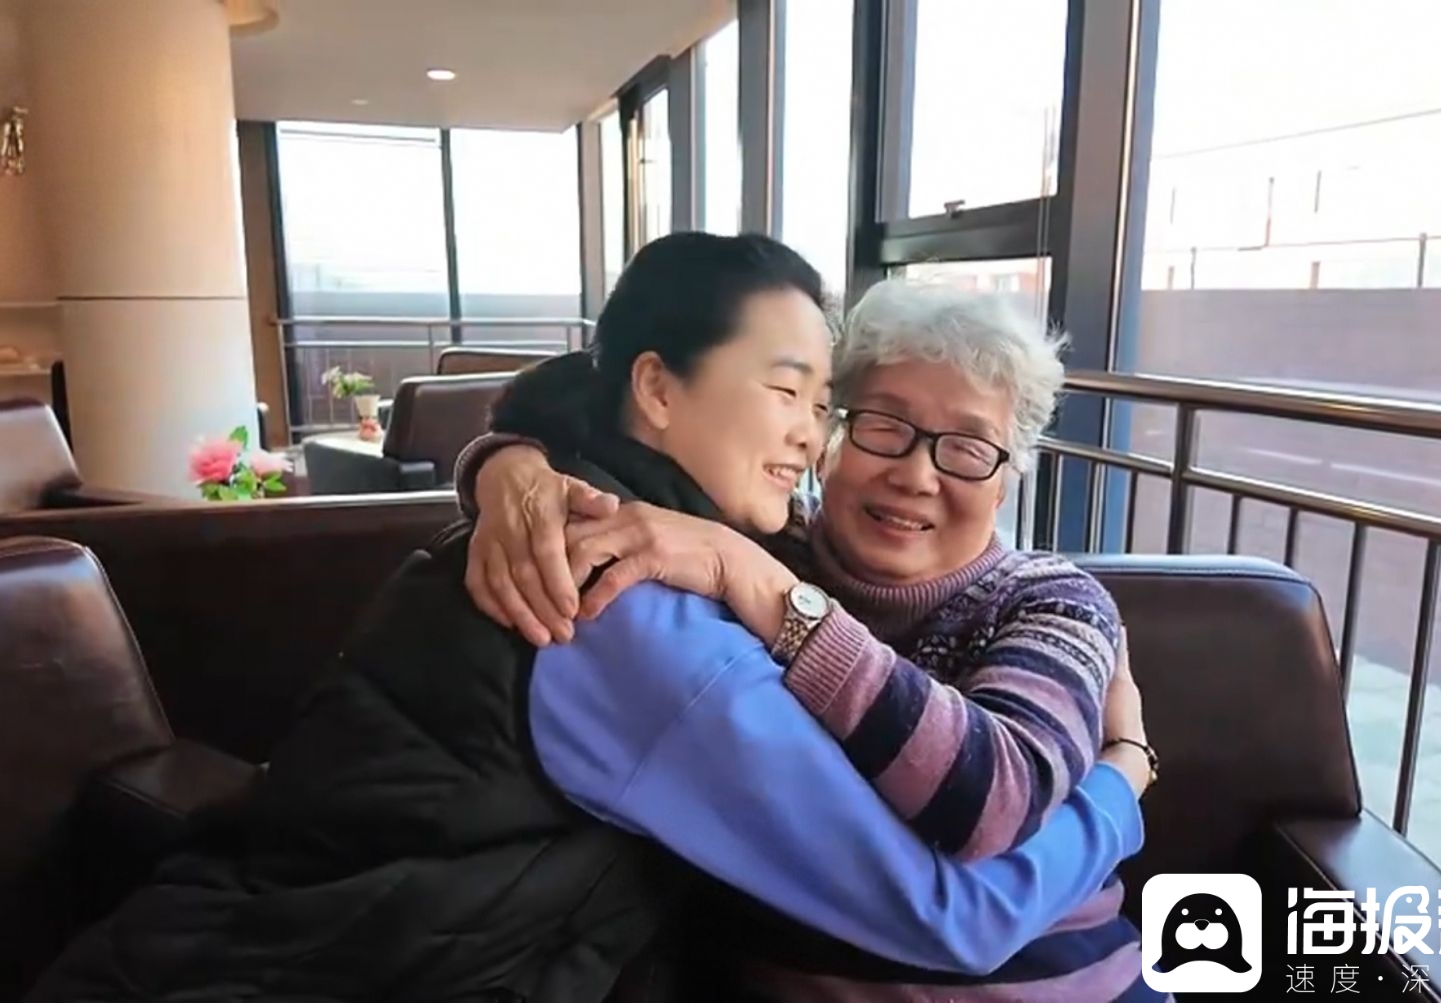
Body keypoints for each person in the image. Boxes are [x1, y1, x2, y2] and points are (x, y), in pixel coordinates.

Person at [24, 234, 1152, 1003]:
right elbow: (949, 915)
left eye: (967, 447)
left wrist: (508, 459)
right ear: (655, 390)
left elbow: (985, 797)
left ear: (1013, 469)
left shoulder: (755, 563)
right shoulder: (640, 599)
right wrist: (1121, 778)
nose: (895, 463)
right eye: (859, 418)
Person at [456, 276, 1163, 1000]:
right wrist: (508, 463)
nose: (916, 474)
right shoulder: (754, 537)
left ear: (1005, 482)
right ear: (826, 437)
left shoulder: (1052, 602)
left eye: (967, 447)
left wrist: (780, 601)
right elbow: (615, 393)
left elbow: (993, 800)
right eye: (883, 425)